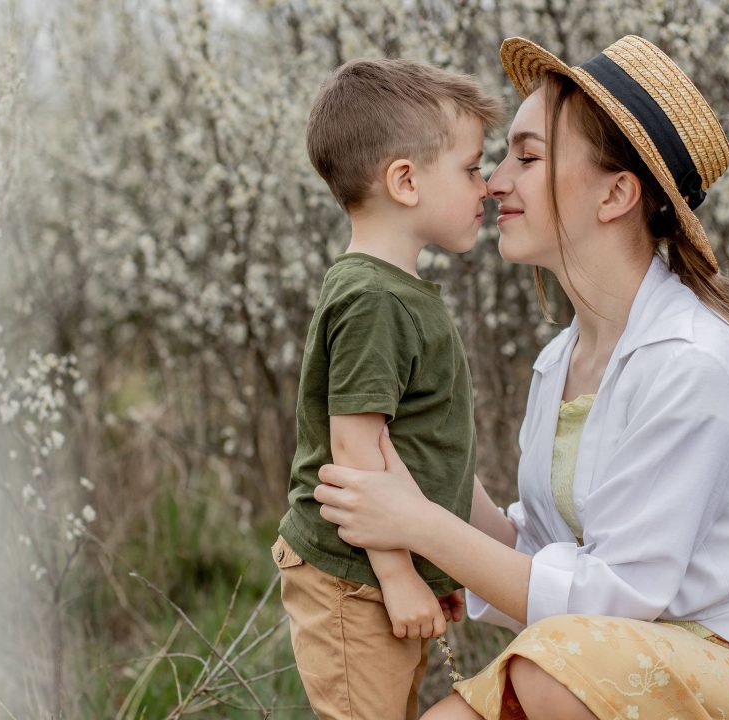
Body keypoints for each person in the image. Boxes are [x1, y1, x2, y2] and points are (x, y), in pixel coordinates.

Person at [313, 36, 729, 720]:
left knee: (553, 670)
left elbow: (611, 597)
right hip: (634, 663)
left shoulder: (692, 365)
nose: (495, 181)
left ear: (617, 193)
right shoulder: (563, 358)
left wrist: (420, 527)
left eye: (526, 157)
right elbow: (548, 551)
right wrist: (425, 475)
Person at [271, 58, 505, 719]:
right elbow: (355, 450)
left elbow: (416, 445)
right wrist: (400, 575)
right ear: (405, 181)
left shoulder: (394, 292)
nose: (486, 187)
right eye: (469, 168)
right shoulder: (375, 299)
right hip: (355, 578)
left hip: (379, 571)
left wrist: (435, 566)